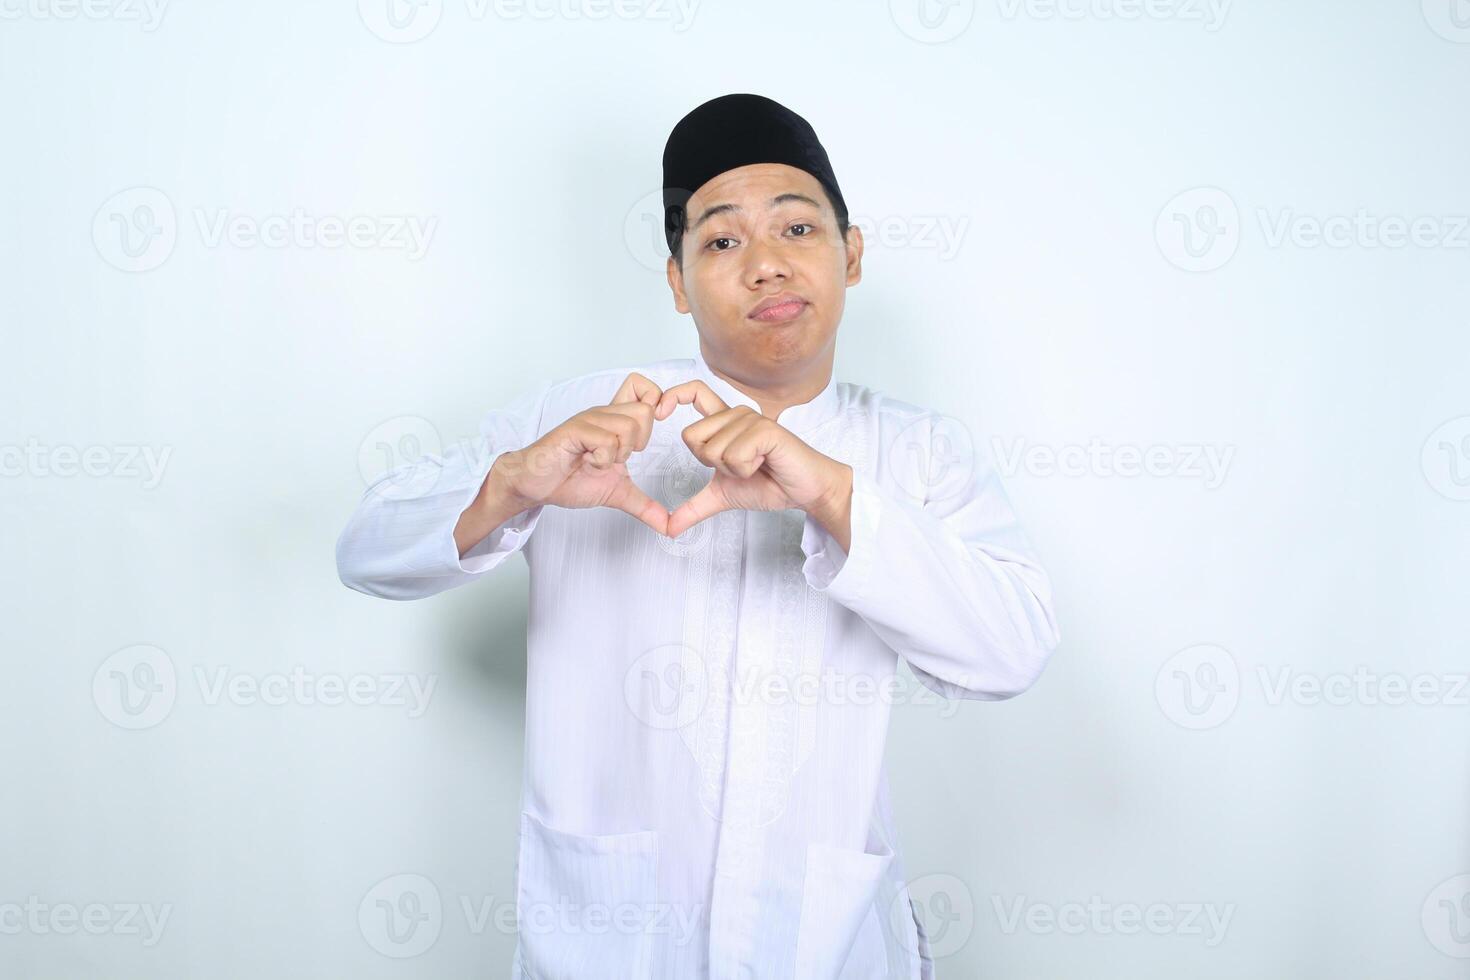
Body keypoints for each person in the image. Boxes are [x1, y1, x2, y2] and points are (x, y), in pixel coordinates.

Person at [335, 93, 1060, 980]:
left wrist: (832, 495)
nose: (765, 265)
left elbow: (1012, 654)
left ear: (852, 253)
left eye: (797, 228)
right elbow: (366, 551)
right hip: (609, 948)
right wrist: (511, 485)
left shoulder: (919, 450)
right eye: (721, 240)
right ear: (678, 280)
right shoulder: (587, 421)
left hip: (828, 948)